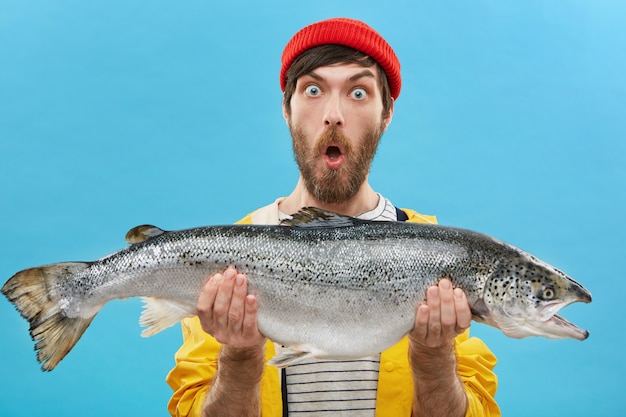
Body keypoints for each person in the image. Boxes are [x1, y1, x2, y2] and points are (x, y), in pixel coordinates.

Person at [166, 17, 499, 417]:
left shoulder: (440, 257)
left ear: (386, 114)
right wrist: (239, 359)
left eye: (359, 92)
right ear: (287, 109)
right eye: (312, 90)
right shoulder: (223, 259)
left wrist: (433, 358)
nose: (334, 114)